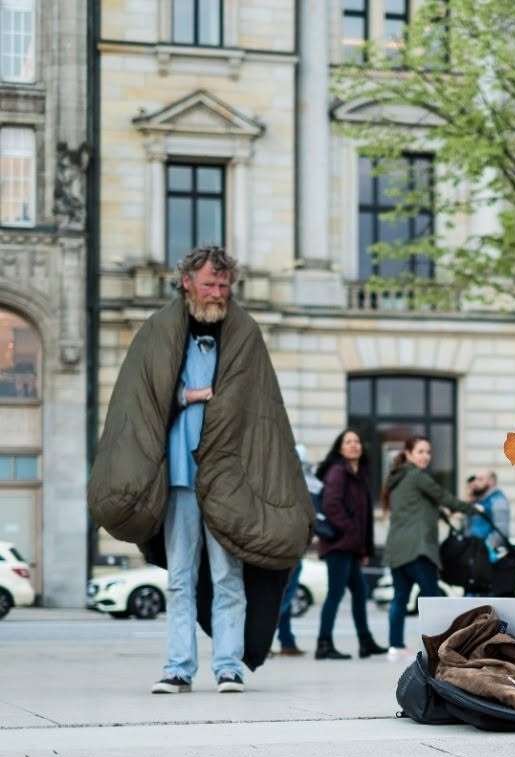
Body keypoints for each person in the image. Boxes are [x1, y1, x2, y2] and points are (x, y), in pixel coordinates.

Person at [88, 246, 312, 694]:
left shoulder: (244, 334)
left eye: (224, 285)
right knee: (179, 579)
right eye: (210, 284)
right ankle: (178, 668)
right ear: (187, 282)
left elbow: (263, 412)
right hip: (179, 479)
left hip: (230, 482)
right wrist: (189, 396)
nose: (217, 293)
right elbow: (141, 402)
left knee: (228, 577)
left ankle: (228, 667)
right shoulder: (158, 332)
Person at [382, 436, 481, 661]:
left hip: (397, 549)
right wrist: (473, 509)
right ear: (408, 454)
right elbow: (443, 497)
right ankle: (436, 648)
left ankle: (395, 646)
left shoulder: (397, 479)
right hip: (419, 549)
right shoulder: (417, 476)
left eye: (428, 452)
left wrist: (442, 513)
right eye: (420, 451)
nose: (425, 456)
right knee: (432, 599)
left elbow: (422, 507)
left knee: (400, 598)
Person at [313, 430, 386, 660]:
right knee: (335, 593)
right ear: (340, 448)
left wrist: (362, 547)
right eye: (348, 442)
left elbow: (364, 516)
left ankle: (365, 642)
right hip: (338, 544)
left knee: (360, 591)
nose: (354, 445)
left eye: (357, 441)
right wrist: (351, 532)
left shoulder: (358, 474)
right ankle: (323, 644)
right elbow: (331, 505)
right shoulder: (338, 472)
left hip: (350, 545)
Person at [275, 444, 321, 657]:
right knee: (284, 596)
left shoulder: (282, 482)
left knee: (284, 594)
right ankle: (265, 639)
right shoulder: (292, 486)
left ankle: (286, 641)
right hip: (289, 547)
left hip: (289, 546)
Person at [467, 471, 511, 558]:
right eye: (475, 479)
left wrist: (486, 548)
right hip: (474, 551)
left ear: (491, 482)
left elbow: (501, 530)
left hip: (485, 555)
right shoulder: (480, 500)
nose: (475, 482)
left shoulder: (498, 501)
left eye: (480, 479)